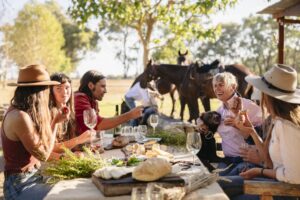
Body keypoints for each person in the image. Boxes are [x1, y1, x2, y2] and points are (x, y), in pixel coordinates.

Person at [219, 64, 300, 199]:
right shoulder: (278, 120)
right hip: (274, 182)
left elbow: (294, 176)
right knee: (219, 184)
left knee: (220, 191)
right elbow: (270, 162)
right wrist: (250, 130)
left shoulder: (286, 126)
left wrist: (260, 171)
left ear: (268, 96)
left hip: (282, 191)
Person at [1, 64, 64, 199]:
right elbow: (44, 155)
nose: (48, 93)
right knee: (65, 194)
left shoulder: (25, 112)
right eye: (47, 88)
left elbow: (44, 145)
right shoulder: (20, 117)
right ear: (39, 92)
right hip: (20, 185)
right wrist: (56, 124)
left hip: (33, 177)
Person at [212, 72, 263, 175]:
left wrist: (238, 125)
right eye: (215, 85)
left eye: (221, 85)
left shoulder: (248, 106)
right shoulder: (219, 111)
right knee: (213, 181)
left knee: (220, 184)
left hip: (244, 161)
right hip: (226, 161)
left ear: (233, 87)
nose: (217, 89)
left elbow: (263, 132)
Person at [74, 70, 143, 134]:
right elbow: (99, 124)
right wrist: (130, 115)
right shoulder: (79, 98)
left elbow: (96, 130)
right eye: (102, 86)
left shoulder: (93, 101)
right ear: (91, 85)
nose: (105, 91)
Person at [49, 73, 93, 160]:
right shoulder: (48, 113)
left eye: (67, 87)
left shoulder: (69, 111)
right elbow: (49, 148)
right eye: (59, 88)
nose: (64, 92)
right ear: (51, 91)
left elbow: (67, 143)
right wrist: (79, 139)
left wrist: (84, 147)